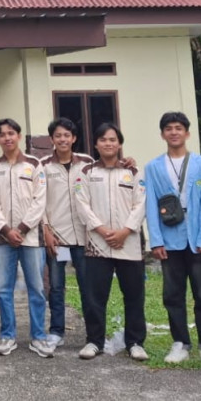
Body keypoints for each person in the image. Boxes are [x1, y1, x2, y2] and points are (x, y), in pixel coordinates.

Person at [144, 112, 201, 367]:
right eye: (169, 128)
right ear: (162, 134)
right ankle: (180, 342)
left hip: (198, 237)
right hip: (170, 238)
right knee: (173, 294)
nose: (174, 132)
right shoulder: (154, 167)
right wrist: (155, 240)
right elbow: (151, 206)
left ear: (187, 133)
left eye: (178, 128)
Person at [73, 123, 148, 362]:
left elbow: (140, 204)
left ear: (119, 143)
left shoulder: (133, 172)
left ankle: (135, 342)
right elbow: (81, 204)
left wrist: (125, 231)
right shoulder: (86, 172)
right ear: (95, 144)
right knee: (95, 296)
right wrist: (103, 230)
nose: (108, 143)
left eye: (113, 139)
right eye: (103, 139)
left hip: (129, 243)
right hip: (98, 243)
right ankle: (94, 341)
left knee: (134, 295)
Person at [0, 118, 53, 357]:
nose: (7, 138)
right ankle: (7, 336)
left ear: (18, 135)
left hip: (31, 237)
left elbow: (40, 200)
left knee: (36, 288)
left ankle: (38, 337)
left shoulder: (34, 164)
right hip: (2, 238)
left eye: (11, 133)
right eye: (2, 134)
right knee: (4, 289)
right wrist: (6, 230)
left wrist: (22, 229)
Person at [38, 118, 93, 348]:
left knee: (87, 285)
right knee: (57, 286)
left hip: (84, 234)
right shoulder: (43, 165)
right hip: (56, 236)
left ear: (74, 138)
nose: (63, 139)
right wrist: (46, 230)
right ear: (52, 139)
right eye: (58, 136)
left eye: (67, 135)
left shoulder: (88, 163)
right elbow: (38, 200)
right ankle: (57, 330)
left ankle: (94, 333)